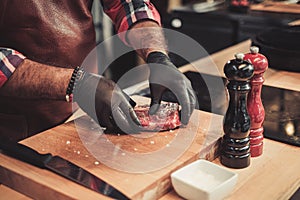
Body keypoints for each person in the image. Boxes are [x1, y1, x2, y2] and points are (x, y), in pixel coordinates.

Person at [0, 0, 196, 141]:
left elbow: (128, 3)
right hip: (16, 128)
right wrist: (75, 83)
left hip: (80, 115)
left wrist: (156, 54)